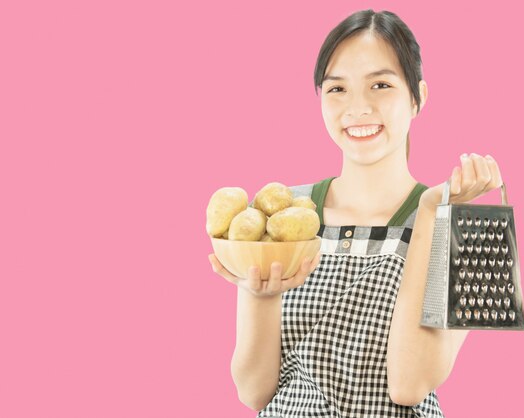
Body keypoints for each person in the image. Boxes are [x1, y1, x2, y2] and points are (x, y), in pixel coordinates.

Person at [208, 9, 503, 418]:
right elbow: (253, 392)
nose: (358, 107)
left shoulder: (466, 227)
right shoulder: (282, 215)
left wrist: (432, 213)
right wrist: (261, 296)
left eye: (380, 85)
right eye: (337, 89)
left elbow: (409, 384)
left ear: (417, 97)